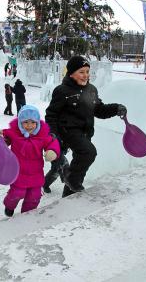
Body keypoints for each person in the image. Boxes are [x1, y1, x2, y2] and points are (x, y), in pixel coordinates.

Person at [45, 56, 127, 198]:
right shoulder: (62, 91)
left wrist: (115, 108)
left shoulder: (91, 90)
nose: (86, 75)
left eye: (87, 71)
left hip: (85, 133)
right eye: (81, 72)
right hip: (68, 131)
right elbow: (51, 115)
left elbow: (99, 110)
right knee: (89, 152)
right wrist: (53, 135)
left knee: (78, 164)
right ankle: (71, 180)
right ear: (71, 73)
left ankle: (69, 194)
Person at [1, 105, 60, 217]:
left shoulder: (42, 136)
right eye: (25, 122)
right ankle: (9, 205)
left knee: (34, 196)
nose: (29, 126)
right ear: (20, 123)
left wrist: (52, 151)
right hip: (18, 172)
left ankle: (26, 215)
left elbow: (52, 142)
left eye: (33, 122)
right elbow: (2, 136)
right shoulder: (14, 133)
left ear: (37, 122)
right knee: (17, 193)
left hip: (36, 173)